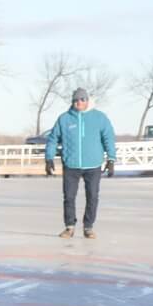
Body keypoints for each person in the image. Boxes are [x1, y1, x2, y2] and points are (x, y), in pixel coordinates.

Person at [43, 86, 116, 239]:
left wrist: (111, 159)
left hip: (93, 164)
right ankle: (69, 227)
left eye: (82, 99)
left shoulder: (99, 117)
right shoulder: (64, 118)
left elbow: (108, 137)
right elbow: (53, 138)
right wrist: (49, 158)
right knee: (69, 197)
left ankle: (88, 227)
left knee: (93, 196)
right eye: (75, 100)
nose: (78, 103)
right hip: (71, 164)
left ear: (87, 101)